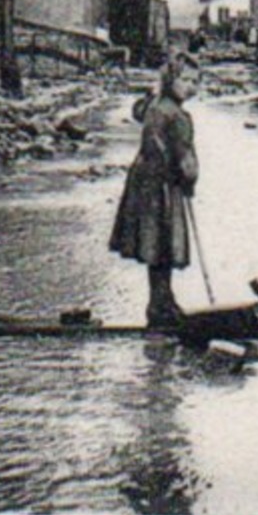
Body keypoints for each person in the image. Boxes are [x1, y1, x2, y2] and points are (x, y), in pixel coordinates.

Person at [110, 53, 201, 331]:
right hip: (162, 184)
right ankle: (160, 306)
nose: (191, 87)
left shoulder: (155, 106)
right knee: (163, 243)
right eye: (185, 80)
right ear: (171, 79)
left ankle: (162, 301)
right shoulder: (177, 115)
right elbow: (181, 155)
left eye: (196, 81)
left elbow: (140, 115)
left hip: (144, 181)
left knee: (156, 244)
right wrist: (188, 178)